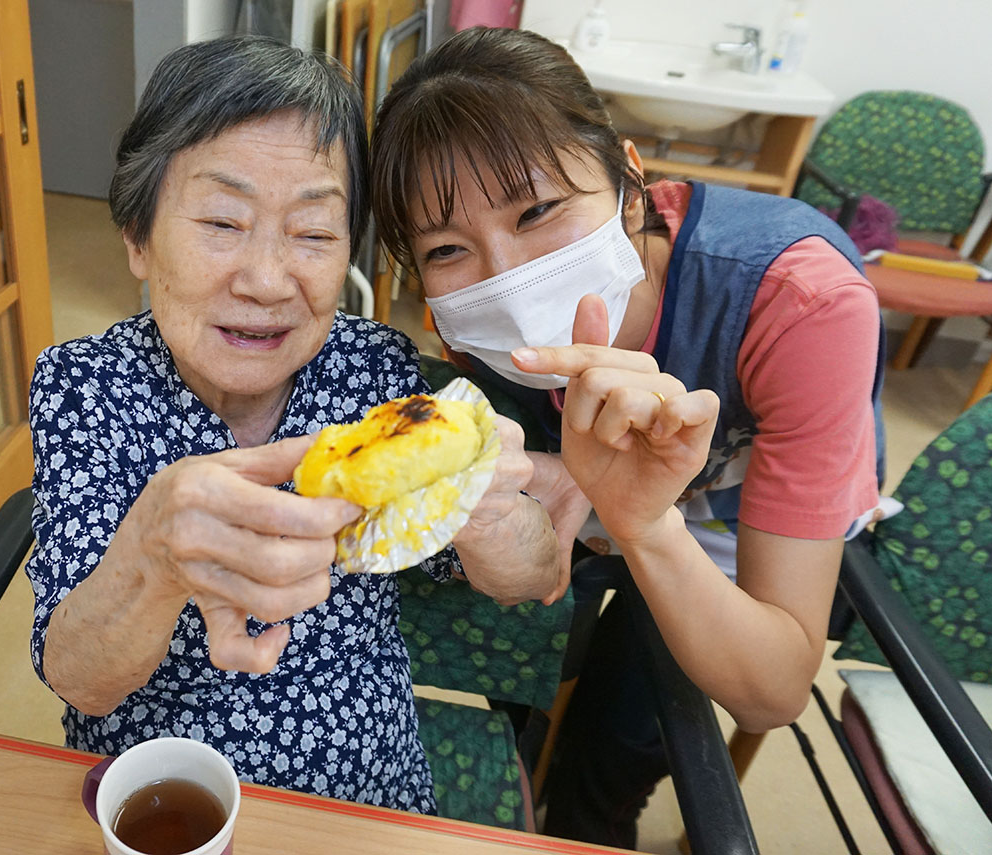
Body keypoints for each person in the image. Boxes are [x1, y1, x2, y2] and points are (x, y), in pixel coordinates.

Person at [369, 27, 885, 846]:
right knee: (529, 652)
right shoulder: (463, 322)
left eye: (538, 209)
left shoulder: (799, 303)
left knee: (629, 712)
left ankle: (592, 814)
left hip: (731, 513)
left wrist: (644, 522)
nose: (504, 274)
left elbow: (776, 685)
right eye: (447, 248)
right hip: (579, 482)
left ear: (631, 186)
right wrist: (550, 481)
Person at [24, 35, 559, 815]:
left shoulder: (376, 375)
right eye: (222, 221)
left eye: (312, 233)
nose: (269, 280)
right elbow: (78, 677)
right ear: (139, 238)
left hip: (363, 797)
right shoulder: (85, 385)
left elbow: (530, 578)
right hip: (161, 800)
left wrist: (492, 506)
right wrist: (155, 554)